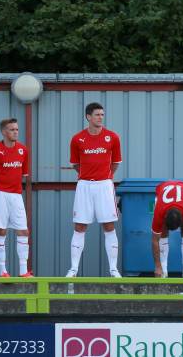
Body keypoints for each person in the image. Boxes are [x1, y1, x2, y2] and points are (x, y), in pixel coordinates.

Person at [66, 102, 122, 278]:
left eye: (102, 115)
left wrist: (104, 177)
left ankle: (113, 269)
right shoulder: (77, 139)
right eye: (97, 114)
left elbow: (115, 163)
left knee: (109, 225)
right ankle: (73, 269)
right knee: (80, 226)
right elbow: (75, 164)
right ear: (88, 117)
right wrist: (89, 175)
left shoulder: (112, 137)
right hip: (84, 185)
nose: (100, 118)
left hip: (104, 185)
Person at [0, 118, 33, 278]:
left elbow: (24, 175)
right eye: (12, 130)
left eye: (17, 129)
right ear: (4, 132)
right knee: (1, 230)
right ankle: (3, 270)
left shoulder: (23, 150)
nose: (15, 132)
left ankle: (23, 271)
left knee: (23, 231)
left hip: (16, 195)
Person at [151, 180, 183, 278]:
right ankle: (163, 271)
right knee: (162, 231)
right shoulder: (159, 212)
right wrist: (157, 266)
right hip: (162, 193)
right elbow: (154, 240)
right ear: (164, 216)